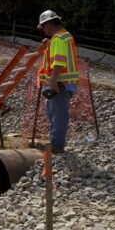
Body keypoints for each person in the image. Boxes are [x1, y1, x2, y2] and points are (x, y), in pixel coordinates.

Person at [36, 10, 79, 154]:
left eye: (43, 26)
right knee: (51, 111)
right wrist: (49, 43)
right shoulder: (61, 37)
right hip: (63, 83)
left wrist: (53, 81)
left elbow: (59, 62)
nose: (42, 30)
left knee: (58, 114)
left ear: (48, 23)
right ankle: (54, 142)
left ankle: (56, 145)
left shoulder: (59, 39)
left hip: (61, 83)